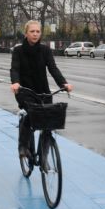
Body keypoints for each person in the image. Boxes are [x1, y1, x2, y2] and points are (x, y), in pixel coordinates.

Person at [10, 20, 73, 157]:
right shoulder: (18, 51)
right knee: (31, 115)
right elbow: (14, 69)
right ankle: (23, 146)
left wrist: (64, 84)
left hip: (42, 91)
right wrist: (15, 82)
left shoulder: (45, 50)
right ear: (26, 33)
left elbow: (53, 69)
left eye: (38, 31)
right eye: (32, 31)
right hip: (25, 91)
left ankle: (44, 155)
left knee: (48, 122)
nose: (35, 34)